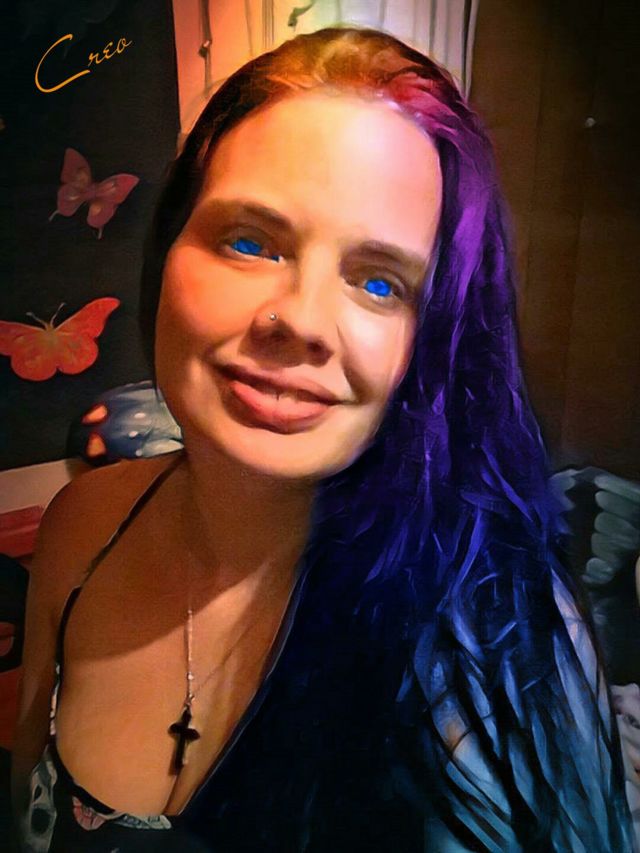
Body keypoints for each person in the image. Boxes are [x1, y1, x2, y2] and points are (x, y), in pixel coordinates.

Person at [11, 26, 634, 852]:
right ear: (168, 251)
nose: (301, 320)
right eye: (249, 242)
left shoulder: (493, 640)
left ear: (432, 341)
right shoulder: (82, 528)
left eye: (379, 282)